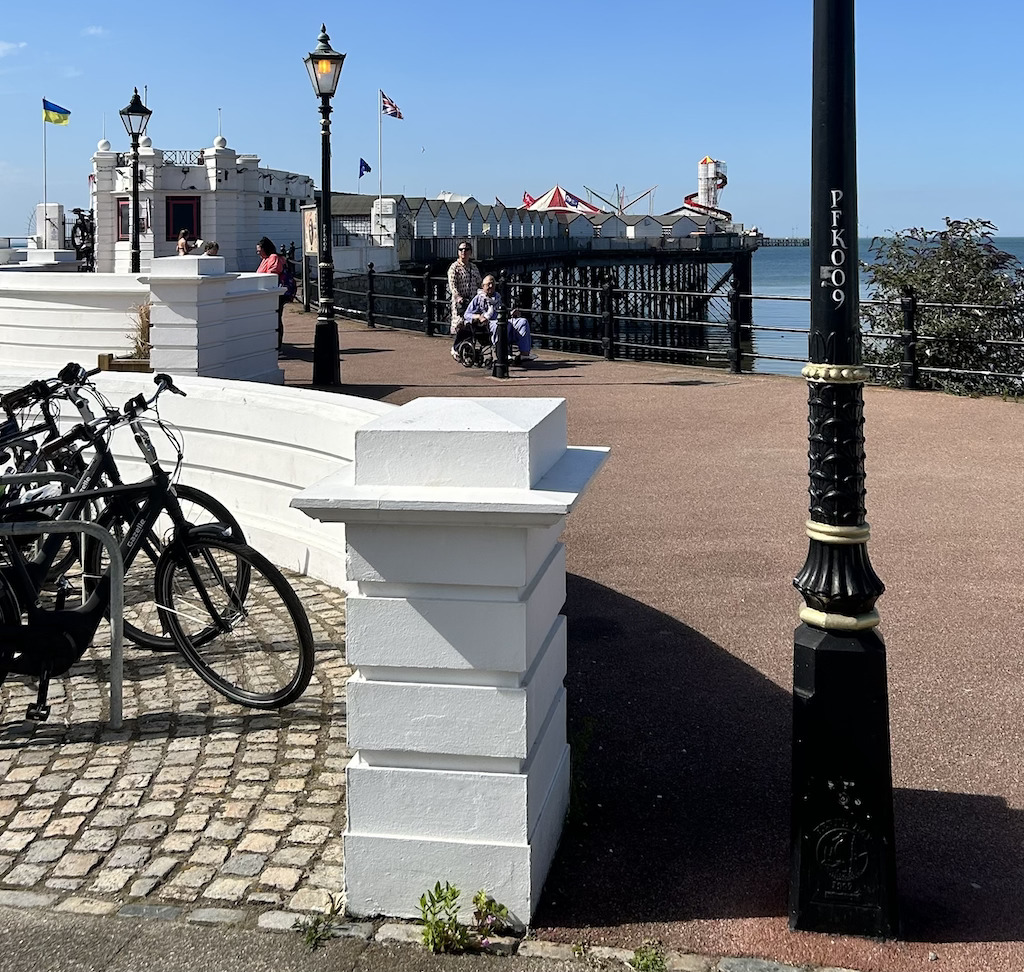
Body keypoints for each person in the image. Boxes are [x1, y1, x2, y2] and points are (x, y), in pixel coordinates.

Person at [463, 275, 535, 360]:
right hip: (488, 324)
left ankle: (524, 354)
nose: (491, 286)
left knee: (522, 322)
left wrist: (511, 313)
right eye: (488, 284)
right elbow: (467, 314)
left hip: (503, 319)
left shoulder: (498, 297)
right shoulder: (478, 298)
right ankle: (503, 353)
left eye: (493, 284)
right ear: (483, 286)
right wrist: (478, 317)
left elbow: (503, 311)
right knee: (503, 325)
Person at [447, 241, 481, 360]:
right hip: (460, 303)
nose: (463, 252)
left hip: (472, 302)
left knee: (472, 325)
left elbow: (479, 284)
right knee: (461, 324)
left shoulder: (473, 267)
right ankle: (456, 347)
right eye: (461, 250)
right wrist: (458, 297)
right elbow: (452, 285)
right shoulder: (454, 267)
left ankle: (468, 348)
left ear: (470, 252)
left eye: (466, 249)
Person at [256, 237, 287, 349]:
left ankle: (276, 343)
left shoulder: (273, 257)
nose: (258, 253)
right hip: (269, 293)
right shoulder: (266, 258)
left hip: (275, 293)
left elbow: (273, 272)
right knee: (274, 317)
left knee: (276, 317)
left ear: (265, 249)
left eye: (259, 250)